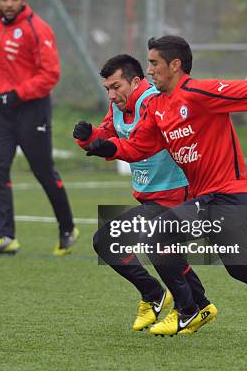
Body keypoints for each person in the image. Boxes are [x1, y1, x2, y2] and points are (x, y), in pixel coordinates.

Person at [85, 35, 247, 343]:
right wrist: (105, 148)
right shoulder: (159, 107)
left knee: (160, 234)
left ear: (174, 65)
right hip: (206, 197)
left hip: (227, 194)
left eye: (154, 63)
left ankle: (189, 309)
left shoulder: (199, 92)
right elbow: (139, 147)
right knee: (240, 266)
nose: (150, 71)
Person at [74, 54, 216, 332]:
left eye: (116, 87)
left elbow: (143, 142)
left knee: (108, 241)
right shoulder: (118, 105)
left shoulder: (153, 103)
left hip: (176, 194)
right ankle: (201, 305)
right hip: (152, 195)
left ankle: (167, 300)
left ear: (136, 81)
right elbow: (106, 134)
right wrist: (88, 137)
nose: (112, 95)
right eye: (108, 89)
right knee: (166, 253)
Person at [0, 0, 77, 256]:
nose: (8, 4)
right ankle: (6, 236)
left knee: (43, 171)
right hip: (1, 111)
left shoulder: (37, 28)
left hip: (32, 110)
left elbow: (50, 74)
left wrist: (17, 94)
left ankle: (67, 228)